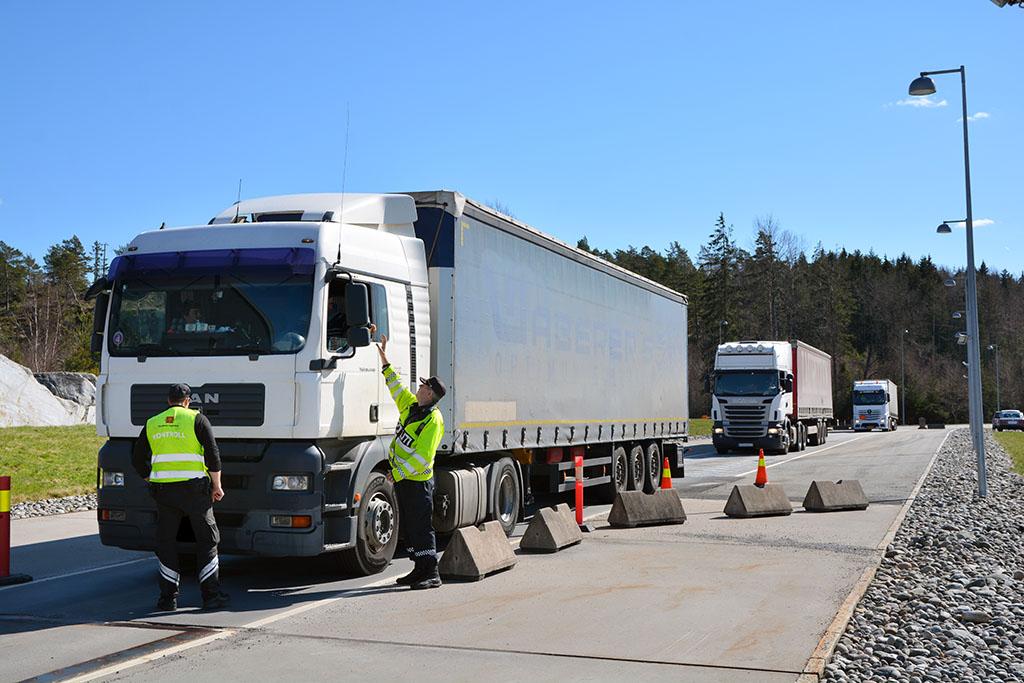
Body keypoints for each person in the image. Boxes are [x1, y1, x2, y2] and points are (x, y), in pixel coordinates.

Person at [131, 383, 230, 611]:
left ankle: (167, 599)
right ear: (187, 400)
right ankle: (211, 597)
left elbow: (137, 459)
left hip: (164, 492)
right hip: (195, 492)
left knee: (166, 542)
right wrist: (217, 485)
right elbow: (213, 455)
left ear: (168, 401)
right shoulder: (197, 419)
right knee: (207, 540)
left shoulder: (153, 422)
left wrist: (151, 478)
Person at [375, 334, 446, 590]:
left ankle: (431, 572)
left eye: (423, 386)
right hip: (405, 479)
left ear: (429, 392)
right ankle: (418, 569)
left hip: (416, 480)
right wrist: (384, 359)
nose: (418, 387)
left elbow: (423, 457)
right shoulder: (411, 406)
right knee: (411, 526)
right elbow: (395, 386)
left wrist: (398, 472)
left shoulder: (433, 420)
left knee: (421, 526)